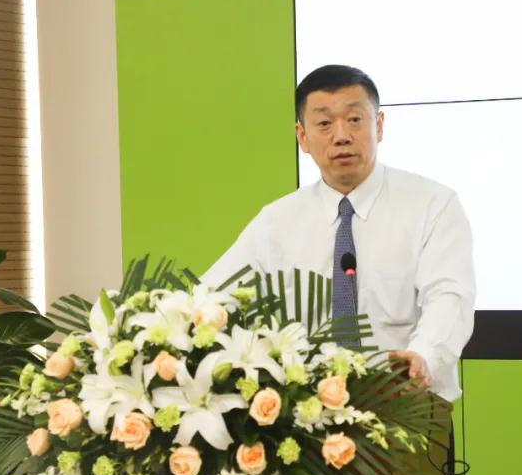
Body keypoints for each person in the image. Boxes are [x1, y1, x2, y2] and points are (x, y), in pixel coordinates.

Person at [203, 64, 475, 402]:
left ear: (379, 125)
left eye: (355, 119)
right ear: (302, 137)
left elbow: (450, 297)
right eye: (324, 124)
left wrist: (423, 356)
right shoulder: (276, 222)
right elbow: (212, 296)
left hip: (407, 402)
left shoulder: (433, 205)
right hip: (308, 413)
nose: (341, 135)